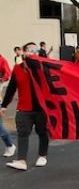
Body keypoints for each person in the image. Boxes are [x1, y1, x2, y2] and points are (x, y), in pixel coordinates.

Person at [1, 43, 48, 171]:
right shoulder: (18, 69)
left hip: (42, 108)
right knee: (22, 133)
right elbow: (11, 89)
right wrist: (4, 105)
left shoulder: (43, 68)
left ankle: (42, 155)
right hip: (24, 108)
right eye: (28, 50)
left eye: (34, 50)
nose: (31, 52)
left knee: (42, 132)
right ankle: (22, 160)